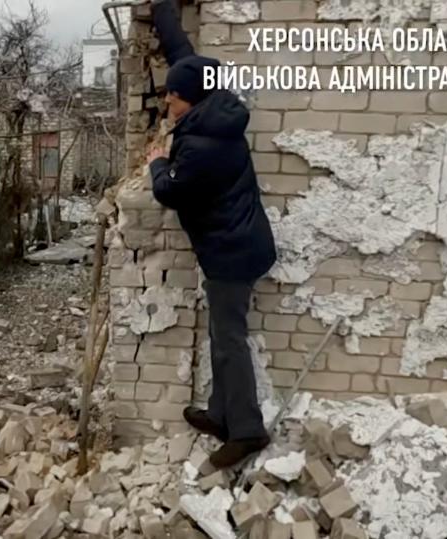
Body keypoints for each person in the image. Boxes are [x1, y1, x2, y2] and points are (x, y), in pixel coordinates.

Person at [146, 0, 278, 469]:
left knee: (229, 340)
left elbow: (170, 191)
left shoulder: (203, 145)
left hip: (231, 254)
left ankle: (246, 430)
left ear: (191, 98)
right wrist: (163, 11)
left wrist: (158, 161)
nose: (168, 102)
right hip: (236, 243)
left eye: (172, 96)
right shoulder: (214, 108)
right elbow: (185, 56)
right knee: (224, 336)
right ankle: (222, 415)